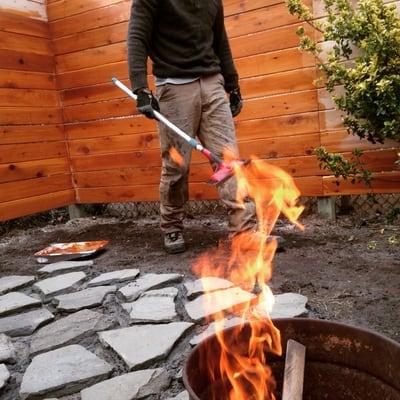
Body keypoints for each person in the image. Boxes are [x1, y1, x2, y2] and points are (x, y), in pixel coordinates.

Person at [127, 0, 255, 254]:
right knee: (176, 165)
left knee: (229, 160)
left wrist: (233, 83)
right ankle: (172, 225)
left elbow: (221, 41)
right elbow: (137, 36)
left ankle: (244, 232)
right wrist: (140, 87)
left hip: (212, 84)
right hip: (174, 87)